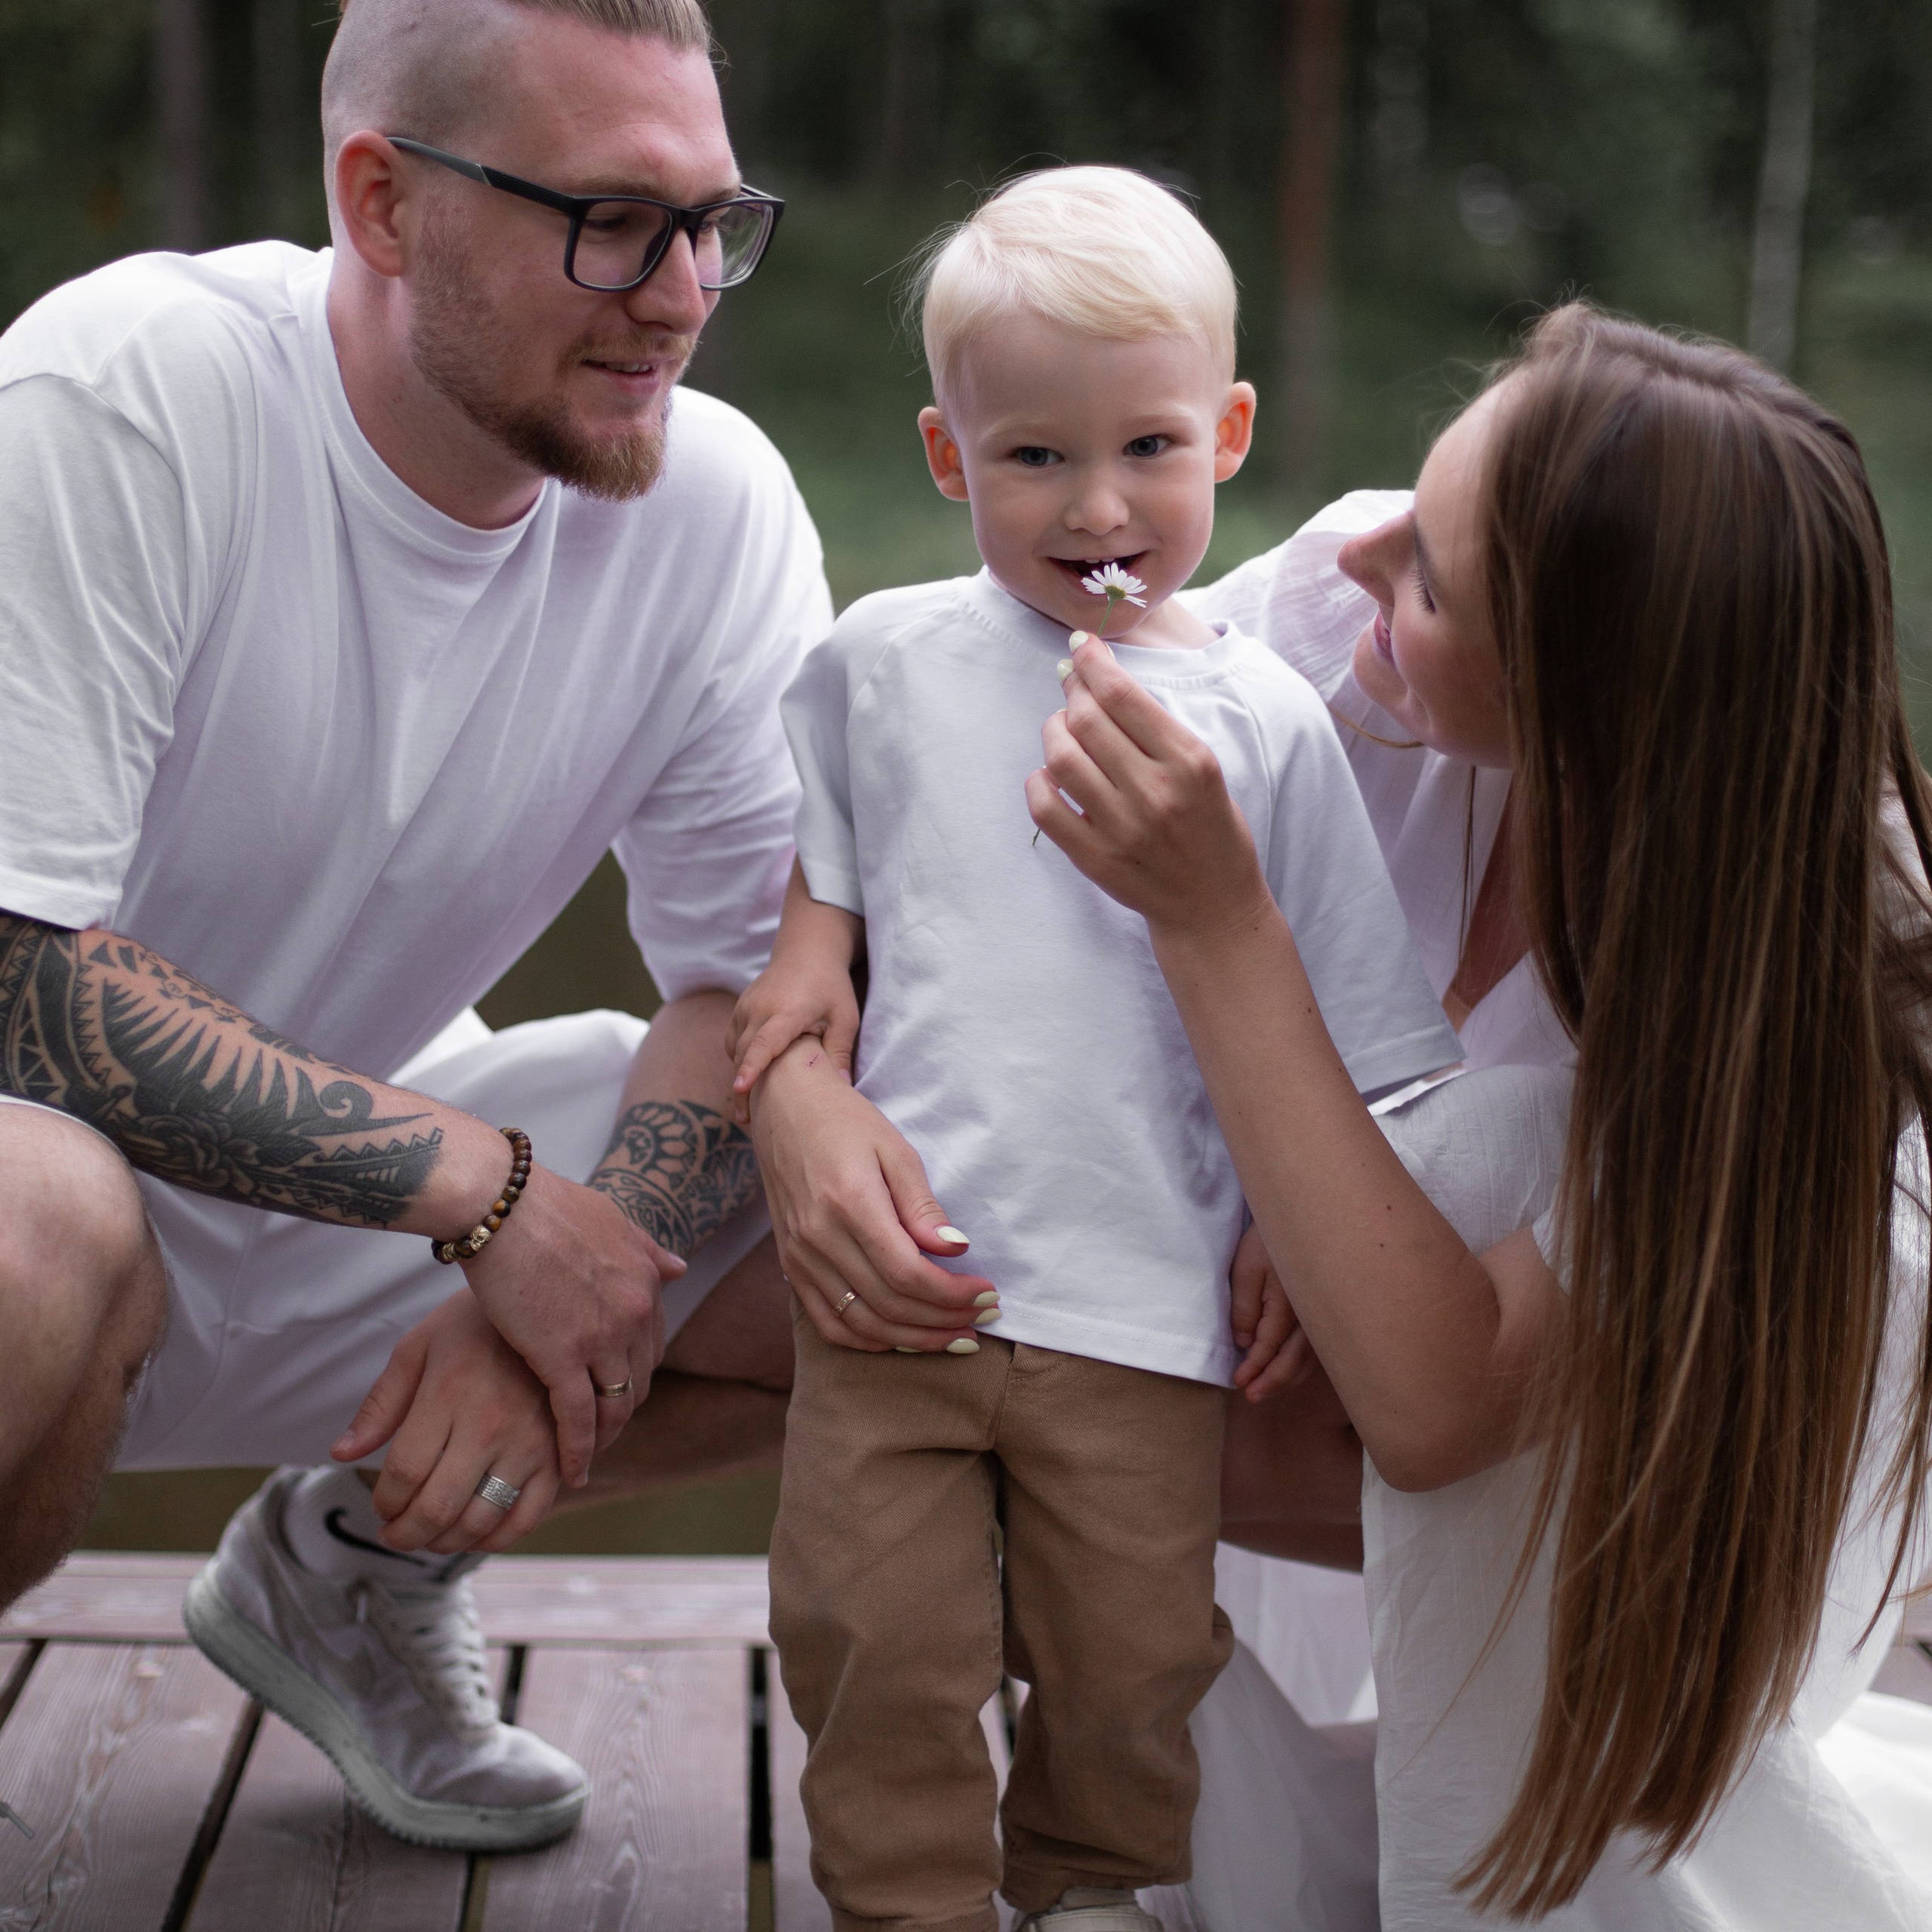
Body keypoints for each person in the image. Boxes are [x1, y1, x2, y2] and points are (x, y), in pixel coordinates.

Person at [0, 0, 829, 1854]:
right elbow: (10, 980)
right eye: (611, 221)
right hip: (35, 1189)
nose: (683, 292)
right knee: (33, 1221)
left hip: (324, 1202)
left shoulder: (713, 505)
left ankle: (358, 1562)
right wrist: (484, 1196)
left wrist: (591, 1261)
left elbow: (748, 978)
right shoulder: (131, 388)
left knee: (911, 1213)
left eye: (712, 222)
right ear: (382, 202)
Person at [1028, 304, 1932, 1927]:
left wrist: (1225, 930)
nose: (1356, 553)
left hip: (1620, 1519)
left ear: (1594, 700)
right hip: (1283, 1414)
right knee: (901, 1300)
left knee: (1497, 1139)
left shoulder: (1817, 984)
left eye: (1432, 578)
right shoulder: (1339, 596)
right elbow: (989, 814)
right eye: (1413, 510)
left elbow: (1443, 1411)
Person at [729, 168, 1461, 1932]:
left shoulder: (1267, 726)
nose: (1097, 504)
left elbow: (1363, 1029)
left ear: (1226, 431)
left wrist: (1288, 1224)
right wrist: (808, 964)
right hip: (896, 1295)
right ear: (942, 457)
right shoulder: (876, 663)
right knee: (867, 1635)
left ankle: (1086, 1890)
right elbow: (831, 877)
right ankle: (903, 1905)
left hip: (1143, 1311)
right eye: (1031, 458)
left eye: (1146, 446)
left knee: (1129, 1658)